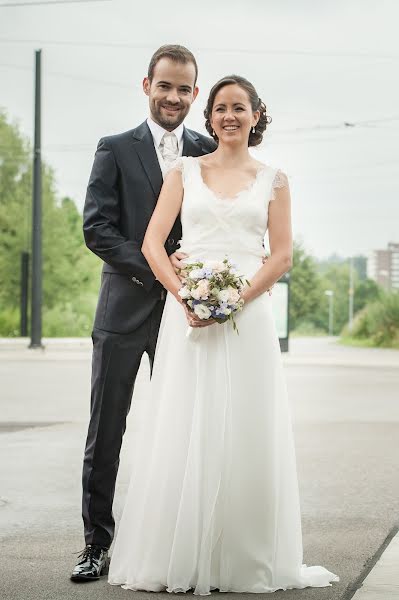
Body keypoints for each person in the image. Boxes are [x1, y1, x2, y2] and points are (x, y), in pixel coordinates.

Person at [107, 75, 339, 594]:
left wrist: (233, 299)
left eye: (239, 107)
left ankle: (241, 555)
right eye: (219, 108)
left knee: (244, 424)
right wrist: (186, 297)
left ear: (257, 115)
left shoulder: (275, 179)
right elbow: (150, 244)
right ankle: (180, 553)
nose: (228, 116)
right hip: (186, 313)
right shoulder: (184, 172)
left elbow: (281, 256)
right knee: (184, 422)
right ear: (208, 118)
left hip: (248, 315)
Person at [71, 44, 216, 582]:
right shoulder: (114, 148)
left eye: (183, 89)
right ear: (147, 86)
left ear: (194, 94)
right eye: (165, 86)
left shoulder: (207, 151)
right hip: (123, 311)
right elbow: (97, 229)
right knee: (106, 430)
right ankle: (95, 544)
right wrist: (157, 267)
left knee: (189, 428)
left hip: (186, 315)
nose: (174, 97)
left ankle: (183, 542)